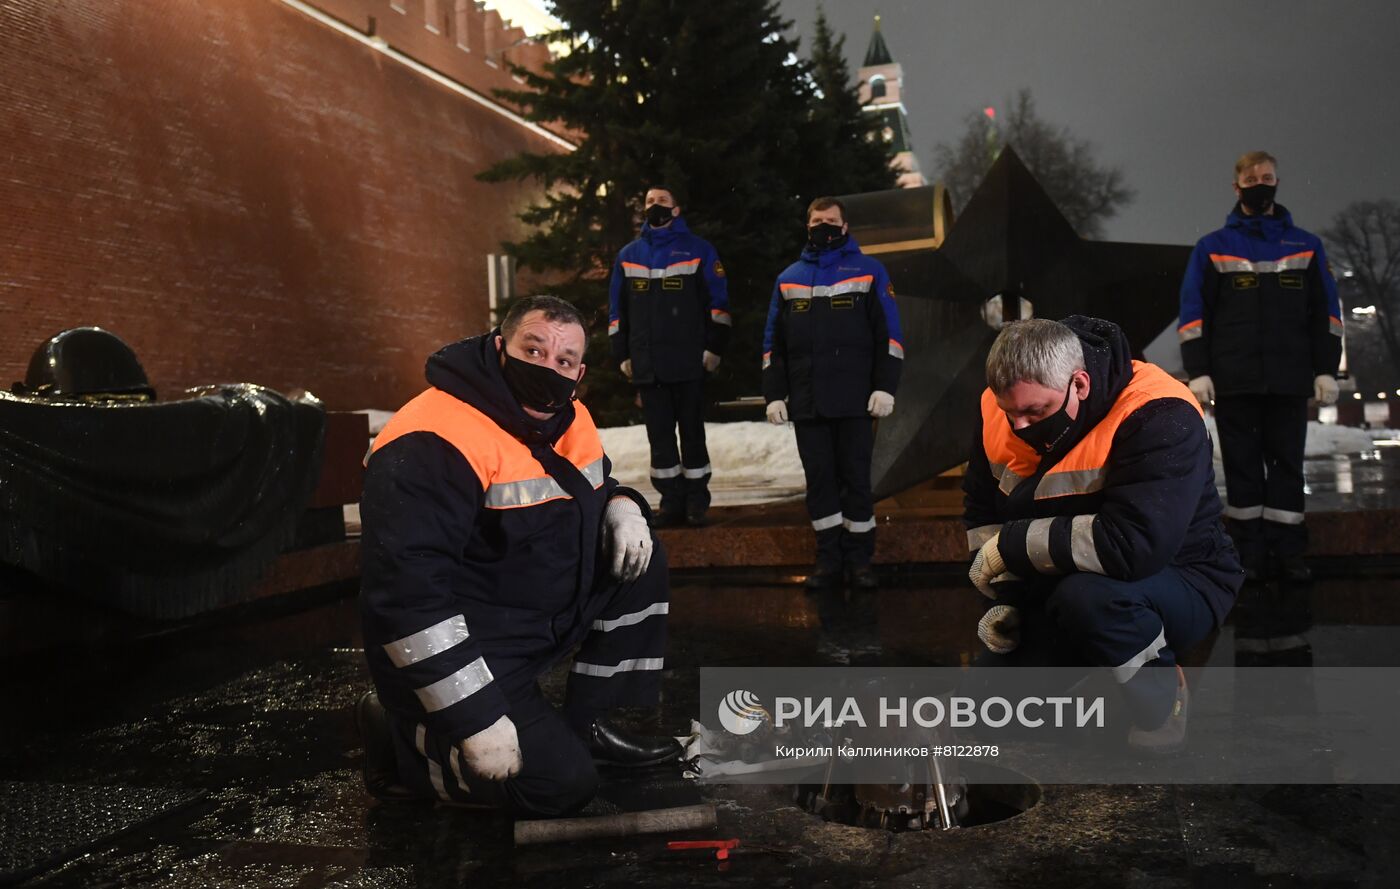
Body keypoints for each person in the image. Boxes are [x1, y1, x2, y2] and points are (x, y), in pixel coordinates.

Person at [356, 295, 681, 816]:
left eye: (564, 360)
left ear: (579, 371)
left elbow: (589, 488)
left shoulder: (567, 414)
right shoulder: (431, 438)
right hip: (468, 641)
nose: (548, 368)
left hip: (526, 615)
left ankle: (588, 724)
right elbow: (405, 596)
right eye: (535, 350)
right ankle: (403, 745)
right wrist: (475, 720)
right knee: (559, 788)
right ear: (501, 346)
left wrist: (623, 505)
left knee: (641, 556)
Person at [963, 317, 1242, 753]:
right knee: (989, 715)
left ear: (1080, 383)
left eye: (1035, 413)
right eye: (1009, 411)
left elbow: (1135, 546)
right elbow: (982, 515)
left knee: (1090, 602)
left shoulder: (1160, 411)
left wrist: (1014, 548)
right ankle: (1101, 667)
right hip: (1061, 578)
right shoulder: (1002, 405)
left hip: (1180, 576)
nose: (1018, 426)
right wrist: (1004, 602)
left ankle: (1164, 699)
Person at [1178, 150, 1344, 583]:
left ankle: (1289, 554)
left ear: (1276, 182)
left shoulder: (1307, 245)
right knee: (1242, 469)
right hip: (1235, 382)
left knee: (1289, 467)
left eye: (1267, 177)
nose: (1260, 184)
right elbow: (1194, 315)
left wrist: (1326, 369)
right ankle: (1247, 555)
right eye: (1252, 179)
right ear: (1237, 187)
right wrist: (1197, 371)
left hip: (1290, 380)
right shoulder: (1212, 248)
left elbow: (1326, 311)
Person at [762, 196, 904, 590]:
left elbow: (889, 336)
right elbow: (773, 343)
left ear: (845, 227)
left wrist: (885, 386)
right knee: (820, 482)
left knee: (856, 481)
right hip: (808, 403)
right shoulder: (788, 278)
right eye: (816, 221)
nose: (823, 227)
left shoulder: (870, 271)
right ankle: (828, 561)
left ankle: (859, 562)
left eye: (831, 221)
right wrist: (775, 393)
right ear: (807, 226)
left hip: (856, 401)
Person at [608, 186, 731, 527]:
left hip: (689, 362)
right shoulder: (628, 255)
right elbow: (617, 312)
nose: (654, 206)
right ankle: (670, 500)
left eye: (662, 201)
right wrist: (622, 354)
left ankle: (696, 501)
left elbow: (718, 306)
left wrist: (714, 348)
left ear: (676, 210)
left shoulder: (699, 251)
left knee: (692, 433)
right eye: (649, 201)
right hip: (648, 365)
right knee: (659, 437)